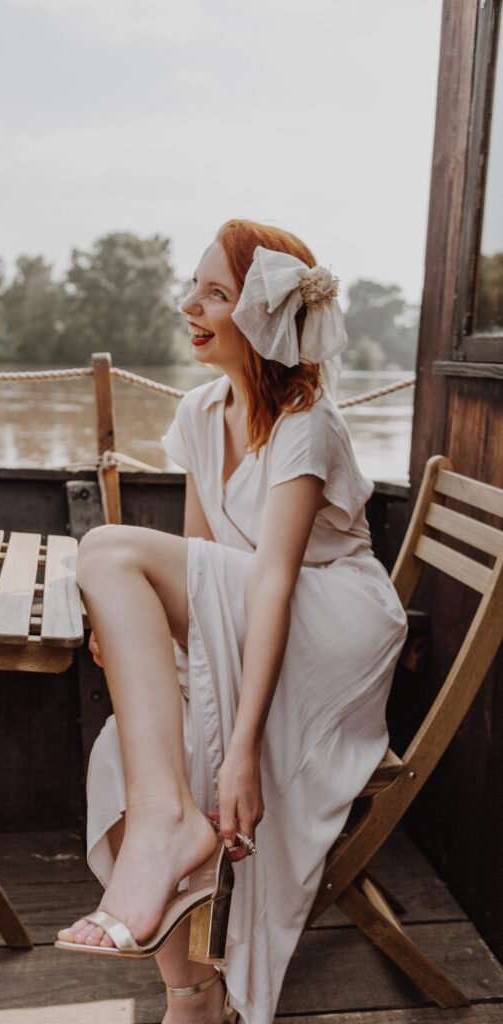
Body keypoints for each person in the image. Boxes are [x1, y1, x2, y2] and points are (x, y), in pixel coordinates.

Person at [56, 219, 408, 1024]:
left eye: (216, 294)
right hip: (248, 607)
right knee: (124, 749)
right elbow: (200, 557)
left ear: (265, 318)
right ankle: (189, 988)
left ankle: (171, 826)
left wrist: (240, 750)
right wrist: (142, 635)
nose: (190, 304)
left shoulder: (306, 424)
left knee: (107, 549)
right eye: (195, 286)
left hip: (329, 620)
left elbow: (273, 581)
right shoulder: (197, 412)